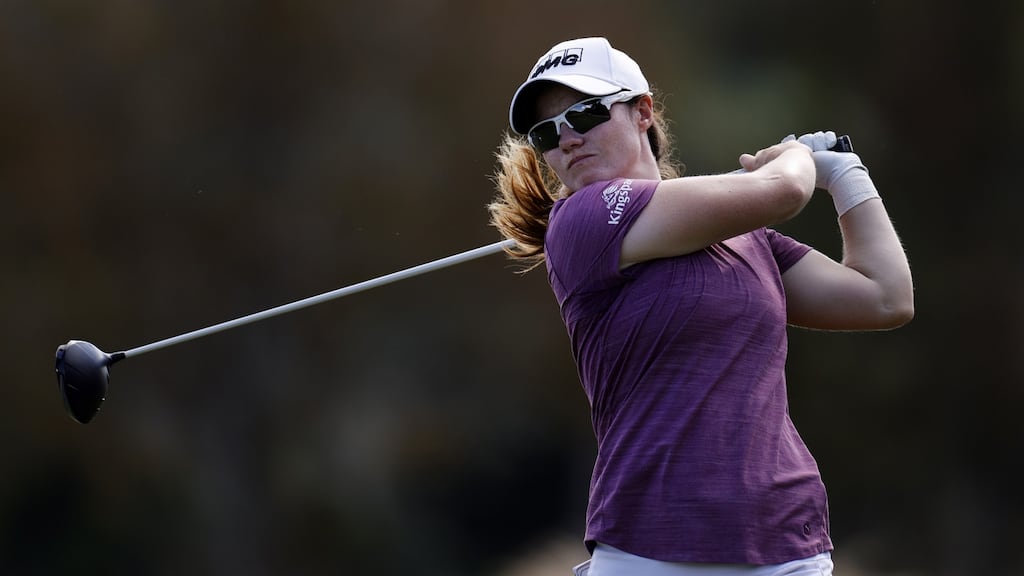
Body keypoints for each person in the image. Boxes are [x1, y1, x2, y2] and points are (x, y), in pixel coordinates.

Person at [487, 37, 914, 576]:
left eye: (587, 114)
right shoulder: (581, 221)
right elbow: (784, 192)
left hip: (787, 543)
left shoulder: (748, 239)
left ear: (643, 111)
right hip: (651, 544)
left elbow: (884, 296)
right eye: (547, 134)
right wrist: (798, 158)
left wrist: (847, 175)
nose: (568, 139)